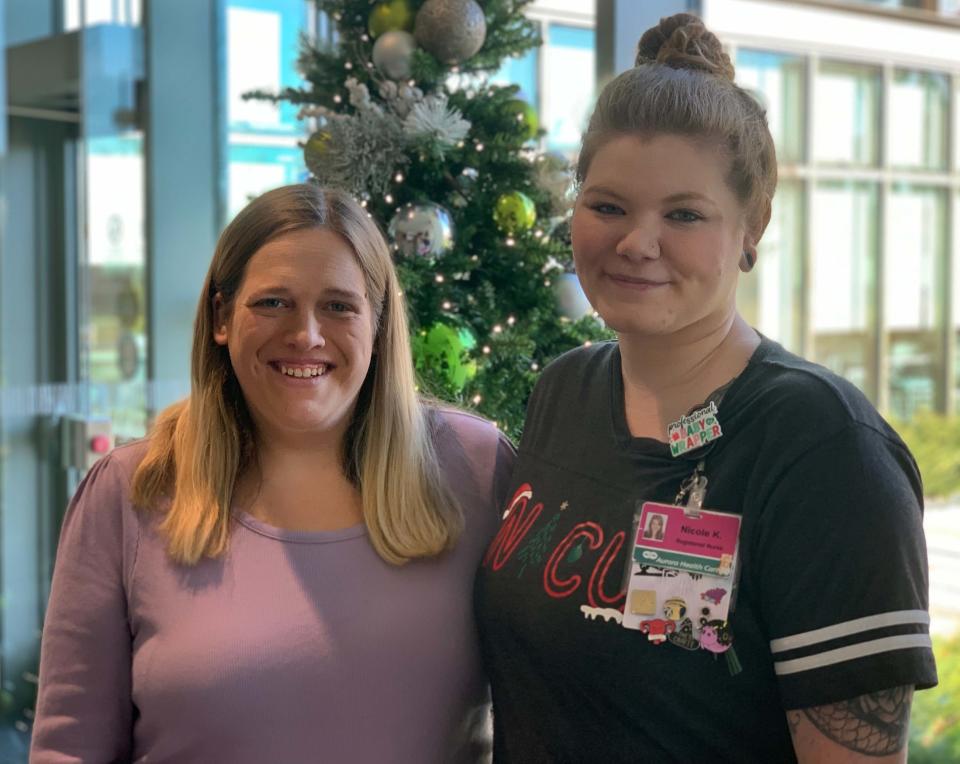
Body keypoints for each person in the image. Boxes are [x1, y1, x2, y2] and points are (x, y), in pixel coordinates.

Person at [475, 13, 936, 763]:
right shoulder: (565, 391)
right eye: (608, 206)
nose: (635, 242)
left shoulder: (823, 450)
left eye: (683, 214)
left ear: (752, 227)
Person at [31, 184, 515, 763]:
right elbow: (69, 748)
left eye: (338, 305)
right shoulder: (129, 491)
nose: (305, 334)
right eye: (272, 302)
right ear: (221, 316)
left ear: (380, 324)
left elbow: (548, 704)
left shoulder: (479, 468)